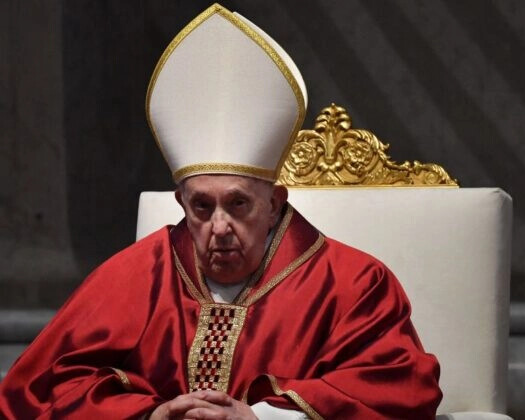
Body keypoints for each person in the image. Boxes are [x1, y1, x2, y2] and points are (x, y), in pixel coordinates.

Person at [0, 4, 441, 419]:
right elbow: (41, 386)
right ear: (181, 205)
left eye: (238, 204)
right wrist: (150, 413)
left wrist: (262, 416)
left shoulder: (354, 284)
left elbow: (402, 388)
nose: (219, 227)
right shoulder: (134, 275)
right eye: (202, 206)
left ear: (275, 204)